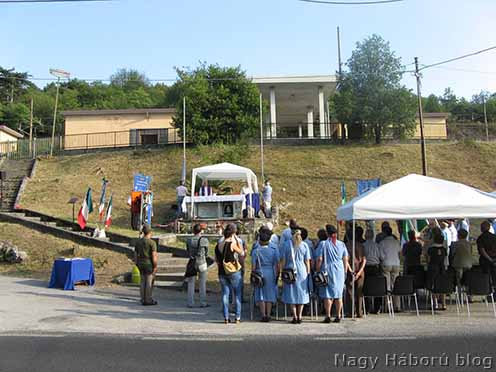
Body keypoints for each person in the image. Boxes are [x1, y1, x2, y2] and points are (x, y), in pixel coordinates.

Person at [316, 225, 351, 323]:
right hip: (339, 269)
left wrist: (318, 270)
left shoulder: (323, 244)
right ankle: (338, 315)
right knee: (338, 294)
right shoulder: (341, 244)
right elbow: (345, 259)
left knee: (328, 294)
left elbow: (319, 259)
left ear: (327, 233)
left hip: (328, 269)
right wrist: (345, 271)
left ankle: (328, 315)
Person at [215, 223, 244, 324]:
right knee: (237, 294)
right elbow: (241, 252)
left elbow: (217, 260)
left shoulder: (218, 245)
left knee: (225, 294)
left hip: (222, 271)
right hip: (233, 271)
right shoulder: (232, 243)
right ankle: (237, 317)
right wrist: (236, 240)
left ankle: (226, 317)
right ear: (232, 233)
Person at [280, 229, 311, 324]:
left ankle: (294, 316)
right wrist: (308, 272)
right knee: (301, 293)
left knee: (291, 293)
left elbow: (283, 260)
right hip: (302, 270)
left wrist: (282, 271)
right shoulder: (304, 245)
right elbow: (307, 261)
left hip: (290, 270)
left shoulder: (286, 245)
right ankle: (300, 316)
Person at [251, 227, 280, 322]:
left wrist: (253, 275)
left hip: (259, 272)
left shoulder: (256, 250)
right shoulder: (274, 249)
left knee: (261, 294)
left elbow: (253, 266)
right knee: (269, 294)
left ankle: (263, 314)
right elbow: (277, 264)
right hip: (270, 272)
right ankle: (268, 314)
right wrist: (277, 274)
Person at [344, 226, 367, 318]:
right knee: (359, 292)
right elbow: (364, 260)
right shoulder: (361, 245)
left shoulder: (346, 246)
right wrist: (360, 271)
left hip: (350, 270)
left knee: (350, 292)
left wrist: (350, 270)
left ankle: (350, 312)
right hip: (360, 270)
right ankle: (359, 312)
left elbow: (345, 260)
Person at [185, 223, 209, 308]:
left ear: (193, 231)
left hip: (192, 261)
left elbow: (187, 251)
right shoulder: (204, 240)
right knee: (202, 283)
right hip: (202, 261)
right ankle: (203, 302)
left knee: (191, 283)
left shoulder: (189, 240)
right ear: (201, 231)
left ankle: (190, 302)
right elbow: (206, 252)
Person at [378, 226, 401, 311]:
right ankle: (397, 306)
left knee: (387, 286)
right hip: (396, 263)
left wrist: (384, 259)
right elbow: (399, 253)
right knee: (396, 285)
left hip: (386, 263)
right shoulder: (396, 242)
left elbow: (381, 256)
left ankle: (387, 306)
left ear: (384, 233)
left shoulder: (382, 242)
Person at [134, 224, 158, 306]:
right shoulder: (152, 243)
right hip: (149, 264)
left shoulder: (138, 242)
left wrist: (136, 263)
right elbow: (154, 256)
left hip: (140, 263)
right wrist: (155, 266)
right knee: (149, 282)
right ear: (150, 232)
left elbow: (135, 254)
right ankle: (148, 299)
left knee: (142, 281)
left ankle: (142, 298)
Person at [427, 228, 447, 311]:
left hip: (433, 268)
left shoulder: (431, 249)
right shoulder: (444, 249)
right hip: (441, 268)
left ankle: (435, 304)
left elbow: (428, 259)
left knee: (433, 285)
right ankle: (443, 304)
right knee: (442, 285)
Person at [363, 229, 382, 313]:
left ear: (365, 236)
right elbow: (381, 257)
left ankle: (366, 308)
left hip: (366, 267)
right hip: (375, 267)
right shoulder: (377, 245)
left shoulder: (363, 245)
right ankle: (377, 308)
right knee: (377, 287)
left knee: (366, 288)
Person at [477, 221, 496, 290]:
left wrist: (489, 259)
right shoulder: (494, 237)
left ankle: (487, 291)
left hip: (484, 260)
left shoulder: (480, 238)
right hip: (494, 259)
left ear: (482, 228)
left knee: (485, 277)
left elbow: (482, 250)